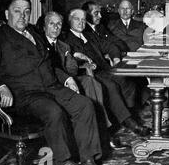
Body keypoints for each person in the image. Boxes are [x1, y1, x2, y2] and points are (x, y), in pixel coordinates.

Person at [0, 0, 112, 165]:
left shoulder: (35, 34)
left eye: (26, 11)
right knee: (53, 111)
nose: (22, 16)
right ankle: (63, 162)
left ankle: (89, 161)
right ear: (6, 14)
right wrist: (0, 87)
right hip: (24, 94)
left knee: (84, 104)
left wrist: (66, 78)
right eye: (17, 11)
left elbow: (50, 65)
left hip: (52, 86)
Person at [42, 11, 128, 150]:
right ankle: (104, 133)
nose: (56, 27)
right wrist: (77, 65)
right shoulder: (40, 44)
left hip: (70, 77)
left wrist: (77, 59)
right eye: (52, 24)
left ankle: (103, 130)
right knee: (98, 84)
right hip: (50, 83)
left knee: (90, 82)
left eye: (58, 24)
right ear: (44, 26)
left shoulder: (63, 46)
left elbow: (71, 69)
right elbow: (49, 69)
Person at [64, 9, 150, 137]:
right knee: (111, 86)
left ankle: (127, 115)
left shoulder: (89, 35)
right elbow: (68, 61)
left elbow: (110, 46)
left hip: (104, 69)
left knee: (126, 80)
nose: (81, 23)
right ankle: (129, 122)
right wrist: (79, 58)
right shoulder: (66, 39)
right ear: (70, 21)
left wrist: (115, 58)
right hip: (88, 74)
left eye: (83, 20)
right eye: (77, 19)